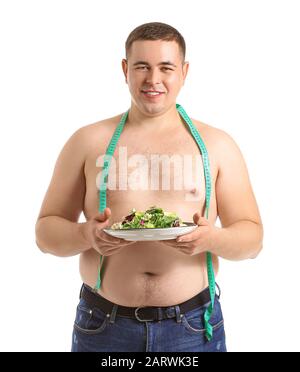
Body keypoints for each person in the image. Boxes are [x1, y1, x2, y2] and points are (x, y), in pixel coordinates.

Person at [35, 22, 263, 352]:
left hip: (192, 328)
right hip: (103, 326)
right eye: (142, 66)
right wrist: (88, 236)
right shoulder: (87, 141)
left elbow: (253, 239)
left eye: (166, 68)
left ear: (184, 72)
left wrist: (212, 239)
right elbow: (45, 233)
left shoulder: (217, 145)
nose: (153, 79)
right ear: (125, 69)